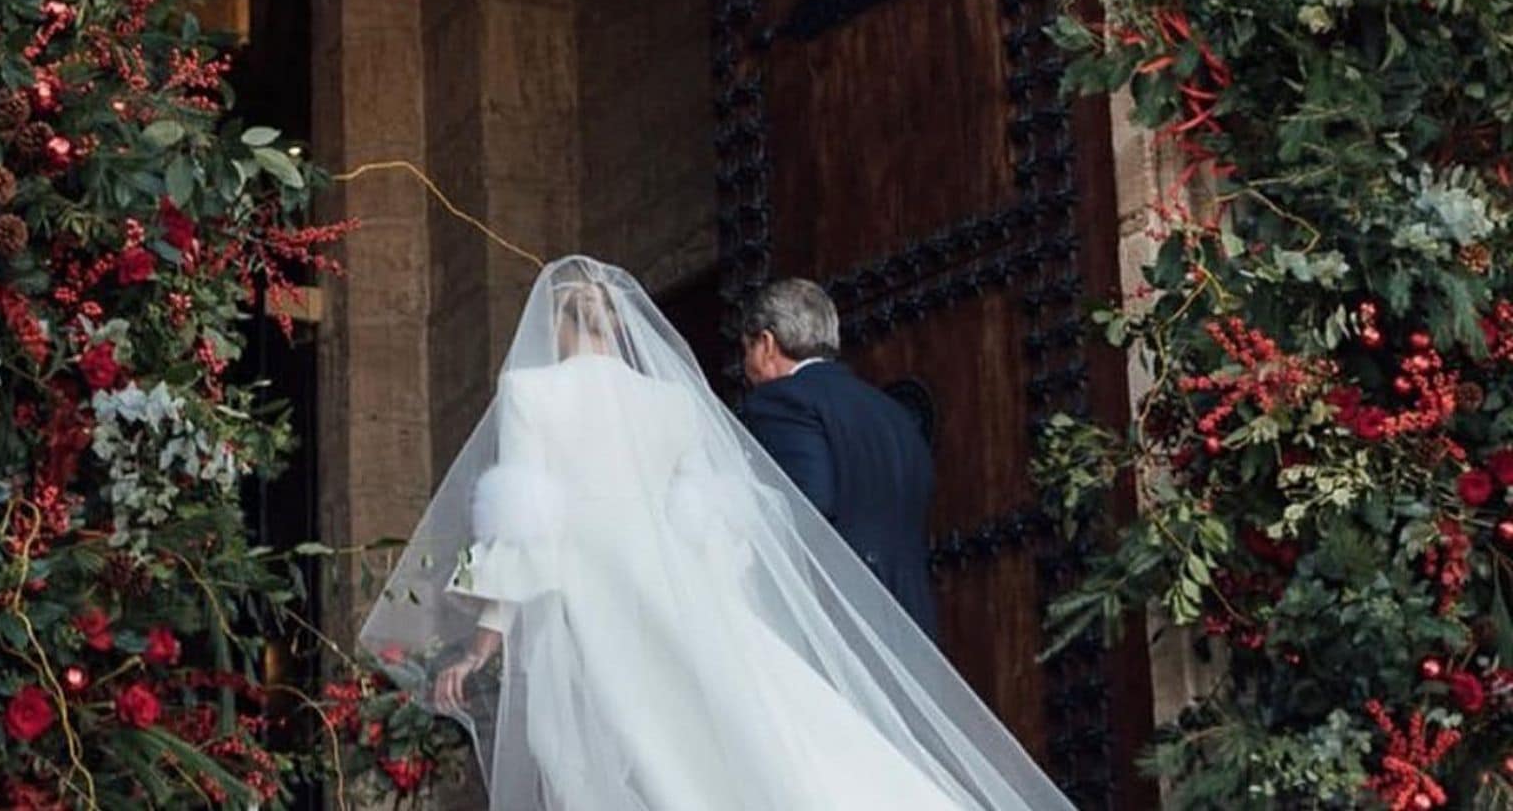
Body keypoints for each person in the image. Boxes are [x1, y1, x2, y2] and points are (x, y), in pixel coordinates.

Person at [358, 256, 1071, 810]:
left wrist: (482, 644)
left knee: (614, 763)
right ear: (618, 322)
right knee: (731, 741)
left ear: (553, 326)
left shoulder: (531, 394)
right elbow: (712, 522)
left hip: (594, 603)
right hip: (679, 594)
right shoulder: (670, 401)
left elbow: (527, 526)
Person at [738, 277, 938, 638]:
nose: (746, 368)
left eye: (747, 350)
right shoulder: (894, 415)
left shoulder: (781, 401)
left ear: (767, 344)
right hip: (913, 623)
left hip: (841, 624)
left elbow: (805, 510)